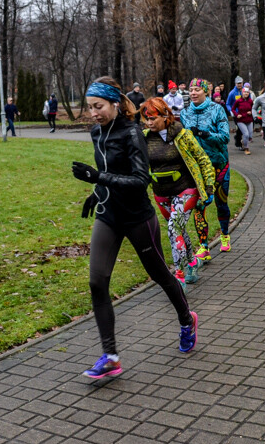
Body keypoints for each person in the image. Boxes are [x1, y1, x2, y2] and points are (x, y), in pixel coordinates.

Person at [73, 77, 198, 379]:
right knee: (97, 282)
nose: (94, 113)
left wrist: (98, 179)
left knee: (159, 274)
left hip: (138, 216)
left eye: (99, 106)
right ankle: (111, 355)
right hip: (108, 215)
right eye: (90, 107)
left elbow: (141, 180)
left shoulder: (132, 133)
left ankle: (186, 318)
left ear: (115, 104)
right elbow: (110, 172)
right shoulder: (95, 133)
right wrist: (96, 193)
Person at [141, 97, 215, 289]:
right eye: (146, 118)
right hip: (161, 193)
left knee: (173, 229)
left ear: (165, 115)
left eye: (153, 118)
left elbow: (203, 160)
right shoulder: (144, 137)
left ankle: (179, 276)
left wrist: (208, 187)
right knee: (179, 229)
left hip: (186, 189)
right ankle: (191, 264)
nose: (149, 122)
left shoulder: (182, 135)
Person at [180, 78, 233, 260]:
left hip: (218, 164)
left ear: (205, 92)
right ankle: (204, 247)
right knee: (199, 205)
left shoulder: (217, 110)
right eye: (191, 90)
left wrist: (204, 134)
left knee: (221, 202)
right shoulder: (185, 114)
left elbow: (225, 138)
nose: (193, 93)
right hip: (197, 168)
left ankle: (225, 234)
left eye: (197, 90)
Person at [231, 83, 255, 155]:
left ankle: (243, 142)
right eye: (245, 92)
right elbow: (233, 109)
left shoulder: (250, 101)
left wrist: (251, 112)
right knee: (246, 134)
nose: (246, 94)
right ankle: (246, 148)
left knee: (250, 136)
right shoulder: (238, 101)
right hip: (241, 120)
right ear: (242, 93)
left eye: (247, 92)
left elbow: (254, 109)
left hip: (249, 119)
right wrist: (237, 115)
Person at [226, 76, 245, 149]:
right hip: (236, 114)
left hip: (244, 113)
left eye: (240, 83)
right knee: (240, 128)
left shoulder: (245, 91)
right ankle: (239, 143)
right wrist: (231, 111)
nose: (239, 85)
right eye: (238, 83)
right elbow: (228, 103)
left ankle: (238, 138)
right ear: (235, 84)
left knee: (243, 129)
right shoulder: (232, 93)